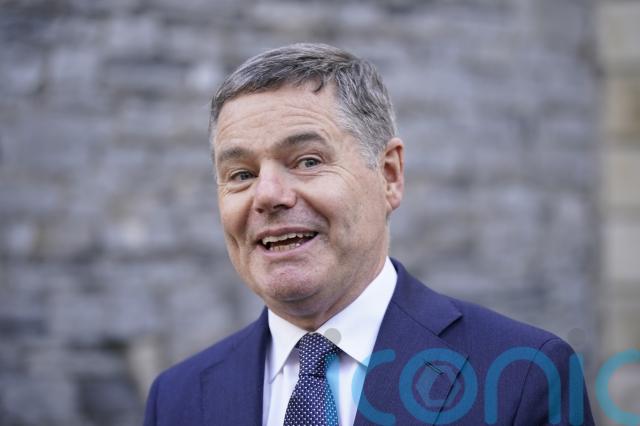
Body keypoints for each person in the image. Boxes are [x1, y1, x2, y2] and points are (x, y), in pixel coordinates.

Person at [143, 43, 594, 425]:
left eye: (307, 161)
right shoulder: (178, 399)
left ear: (389, 175)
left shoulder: (522, 376)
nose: (268, 195)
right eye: (241, 174)